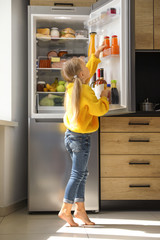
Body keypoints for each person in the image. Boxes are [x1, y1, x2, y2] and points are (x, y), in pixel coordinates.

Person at [58, 45, 109, 227]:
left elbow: (86, 74)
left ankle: (80, 210)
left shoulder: (74, 87)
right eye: (85, 66)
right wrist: (104, 97)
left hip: (71, 136)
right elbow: (99, 109)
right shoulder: (86, 91)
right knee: (78, 174)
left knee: (81, 174)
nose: (88, 67)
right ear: (81, 74)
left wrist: (94, 57)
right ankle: (66, 209)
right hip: (81, 139)